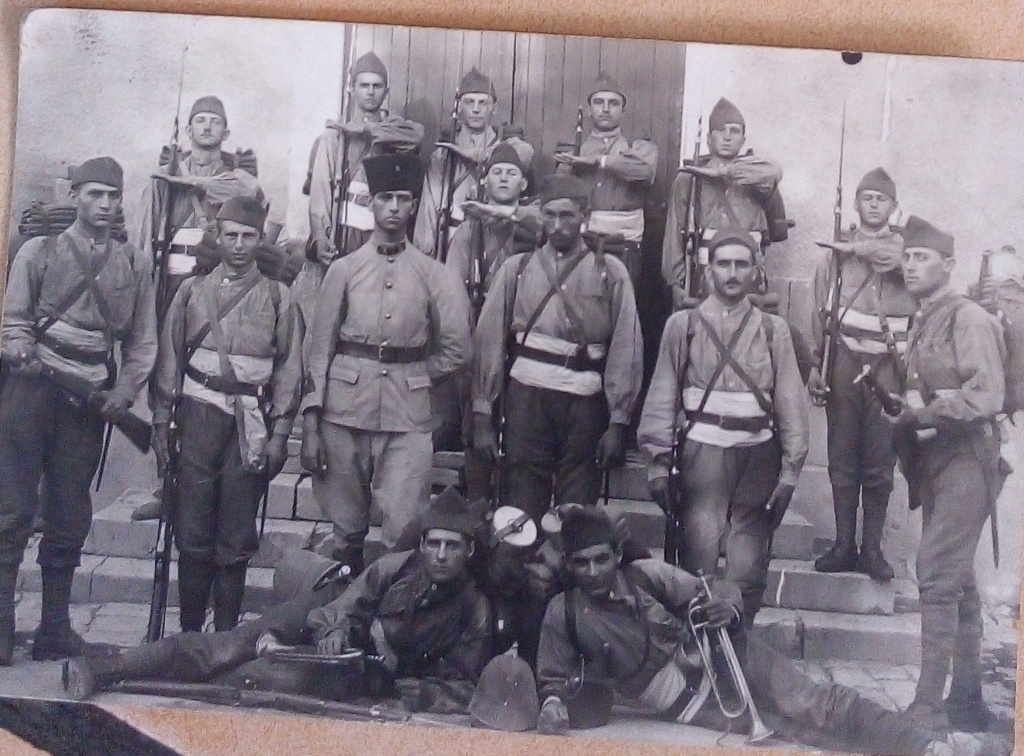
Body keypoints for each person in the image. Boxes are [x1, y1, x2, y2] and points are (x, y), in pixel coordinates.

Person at [532, 508, 1007, 756]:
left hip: (727, 659)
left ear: (616, 556)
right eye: (581, 563)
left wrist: (726, 606)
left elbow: (717, 587)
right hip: (687, 702)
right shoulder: (564, 612)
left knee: (816, 704)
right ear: (569, 566)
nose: (594, 571)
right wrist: (553, 707)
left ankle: (926, 746)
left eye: (601, 559)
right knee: (797, 731)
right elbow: (552, 682)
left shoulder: (646, 576)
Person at [63, 488, 498, 717]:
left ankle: (159, 678)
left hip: (363, 671)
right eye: (434, 544)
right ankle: (108, 668)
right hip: (324, 609)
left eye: (453, 547)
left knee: (261, 679)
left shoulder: (475, 608)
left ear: (470, 552)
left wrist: (413, 691)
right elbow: (338, 606)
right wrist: (332, 631)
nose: (441, 556)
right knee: (229, 646)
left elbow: (463, 687)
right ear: (421, 545)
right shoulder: (396, 567)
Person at [0, 157, 157, 663]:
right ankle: (1, 629)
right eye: (94, 195)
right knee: (12, 511)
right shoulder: (38, 251)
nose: (105, 206)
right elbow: (13, 320)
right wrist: (21, 349)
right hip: (32, 392)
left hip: (89, 400)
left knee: (70, 514)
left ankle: (53, 629)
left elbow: (142, 342)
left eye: (112, 196)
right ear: (75, 197)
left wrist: (125, 392)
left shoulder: (134, 263)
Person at [300, 153, 472, 575]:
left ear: (414, 205)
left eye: (402, 198)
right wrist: (311, 423)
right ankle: (340, 623)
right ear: (372, 205)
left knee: (403, 533)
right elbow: (318, 349)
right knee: (345, 531)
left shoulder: (435, 274)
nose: (393, 207)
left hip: (407, 417)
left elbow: (458, 347)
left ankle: (389, 626)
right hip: (343, 414)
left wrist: (415, 374)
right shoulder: (343, 270)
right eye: (385, 198)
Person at [638, 227, 808, 624]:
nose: (732, 272)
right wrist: (658, 462)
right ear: (708, 270)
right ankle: (696, 659)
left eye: (741, 264)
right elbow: (662, 393)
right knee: (697, 558)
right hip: (702, 453)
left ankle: (737, 651)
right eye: (723, 263)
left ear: (755, 271)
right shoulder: (683, 325)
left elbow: (790, 403)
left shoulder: (773, 330)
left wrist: (790, 472)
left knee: (747, 563)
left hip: (757, 454)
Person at [151, 197, 303, 632]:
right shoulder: (191, 291)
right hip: (198, 414)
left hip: (250, 424)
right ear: (217, 237)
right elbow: (169, 361)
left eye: (248, 236)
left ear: (260, 240)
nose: (238, 245)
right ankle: (189, 635)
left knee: (236, 533)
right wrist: (162, 424)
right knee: (193, 528)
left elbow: (290, 370)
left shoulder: (279, 296)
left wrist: (279, 435)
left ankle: (225, 637)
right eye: (230, 235)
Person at [885, 217, 1005, 733]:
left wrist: (924, 415)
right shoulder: (925, 318)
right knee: (960, 582)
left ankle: (928, 709)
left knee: (935, 572)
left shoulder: (969, 318)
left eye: (922, 258)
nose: (911, 265)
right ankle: (968, 700)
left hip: (968, 460)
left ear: (949, 266)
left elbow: (986, 396)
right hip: (937, 462)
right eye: (907, 256)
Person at [471, 174, 644, 523]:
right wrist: (482, 413)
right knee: (519, 503)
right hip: (526, 398)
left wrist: (618, 420)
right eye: (550, 215)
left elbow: (627, 346)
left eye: (567, 215)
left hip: (583, 401)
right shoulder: (517, 269)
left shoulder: (610, 272)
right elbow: (487, 342)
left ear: (585, 216)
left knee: (577, 510)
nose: (557, 225)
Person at [809, 168, 914, 581]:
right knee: (842, 455)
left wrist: (861, 249)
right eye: (866, 197)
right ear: (855, 204)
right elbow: (819, 311)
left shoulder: (907, 251)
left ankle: (873, 550)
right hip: (845, 359)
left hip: (889, 365)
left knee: (879, 459)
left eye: (881, 199)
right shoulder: (835, 254)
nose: (874, 205)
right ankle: (843, 545)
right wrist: (818, 365)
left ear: (894, 206)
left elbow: (898, 267)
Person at [140, 95, 263, 320]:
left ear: (226, 134)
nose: (207, 127)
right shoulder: (164, 178)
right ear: (188, 130)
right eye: (200, 120)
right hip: (170, 275)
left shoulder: (238, 180)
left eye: (215, 121)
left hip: (213, 275)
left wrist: (190, 182)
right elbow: (147, 234)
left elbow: (245, 191)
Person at [661, 98, 784, 311]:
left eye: (734, 131)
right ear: (709, 139)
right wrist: (676, 284)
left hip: (748, 275)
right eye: (720, 130)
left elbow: (774, 172)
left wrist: (725, 172)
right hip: (703, 275)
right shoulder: (688, 180)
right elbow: (673, 236)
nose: (727, 137)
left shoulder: (759, 177)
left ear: (743, 139)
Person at [553, 73, 658, 285]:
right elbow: (559, 193)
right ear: (589, 109)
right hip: (582, 243)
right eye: (599, 102)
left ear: (623, 111)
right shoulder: (574, 150)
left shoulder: (638, 148)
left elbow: (644, 172)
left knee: (620, 307)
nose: (606, 109)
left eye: (614, 103)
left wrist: (599, 161)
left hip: (624, 246)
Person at [413, 67, 503, 259]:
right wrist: (425, 254)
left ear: (494, 107)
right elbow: (429, 207)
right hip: (450, 239)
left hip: (493, 242)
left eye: (483, 103)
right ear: (459, 106)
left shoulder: (505, 151)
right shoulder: (443, 155)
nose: (476, 109)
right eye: (469, 102)